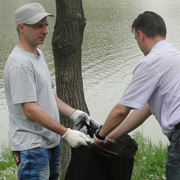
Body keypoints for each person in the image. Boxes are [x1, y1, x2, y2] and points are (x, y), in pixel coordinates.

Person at [3, 3, 91, 180]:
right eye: (38, 26)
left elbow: (48, 94)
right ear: (21, 27)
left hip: (50, 143)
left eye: (46, 25)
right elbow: (30, 109)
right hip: (32, 149)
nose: (45, 31)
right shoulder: (20, 64)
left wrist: (74, 113)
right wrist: (65, 133)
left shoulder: (37, 55)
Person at [93, 11, 180, 180]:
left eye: (135, 39)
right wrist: (111, 137)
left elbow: (121, 110)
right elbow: (146, 109)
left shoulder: (151, 62)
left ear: (140, 35)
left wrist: (99, 137)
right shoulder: (175, 57)